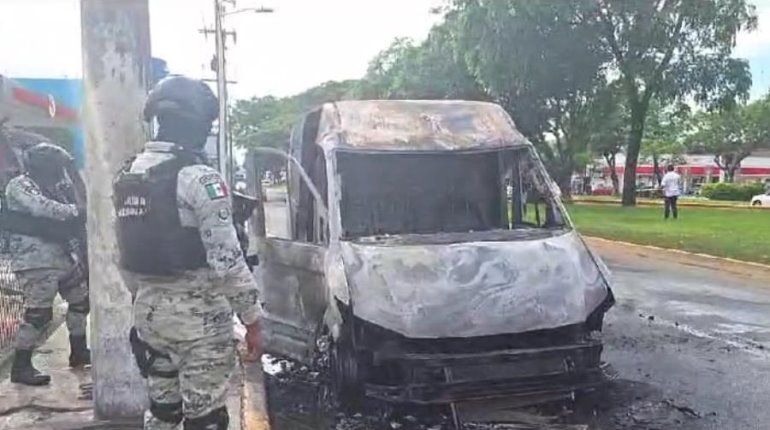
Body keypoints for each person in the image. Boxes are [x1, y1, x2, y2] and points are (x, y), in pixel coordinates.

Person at [113, 76, 262, 430]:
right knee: (206, 417)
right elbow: (227, 260)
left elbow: (125, 252)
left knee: (163, 413)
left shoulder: (129, 173)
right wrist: (252, 320)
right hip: (200, 324)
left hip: (148, 316)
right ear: (197, 124)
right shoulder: (200, 179)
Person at [1, 142, 90, 386]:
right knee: (38, 314)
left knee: (80, 302)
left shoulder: (55, 186)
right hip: (35, 260)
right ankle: (21, 366)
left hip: (62, 256)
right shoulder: (20, 185)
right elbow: (44, 209)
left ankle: (79, 350)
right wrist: (78, 210)